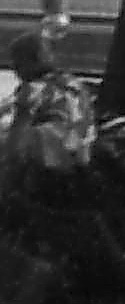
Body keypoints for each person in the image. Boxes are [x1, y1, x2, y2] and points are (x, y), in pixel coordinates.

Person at [0, 31, 95, 207]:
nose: (16, 71)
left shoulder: (34, 89)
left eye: (17, 64)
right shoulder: (73, 83)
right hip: (82, 152)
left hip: (51, 157)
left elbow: (17, 130)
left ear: (31, 61)